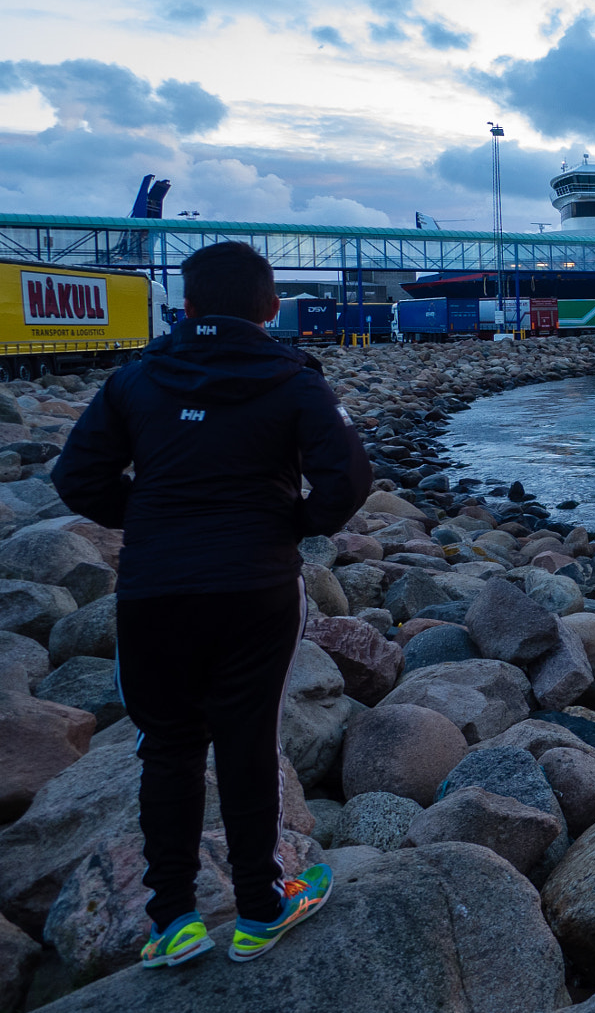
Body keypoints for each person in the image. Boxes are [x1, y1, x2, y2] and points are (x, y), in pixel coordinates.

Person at [53, 242, 371, 967]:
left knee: (166, 748)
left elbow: (77, 477)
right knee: (248, 741)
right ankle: (260, 908)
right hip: (255, 586)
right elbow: (347, 478)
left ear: (187, 307)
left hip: (155, 589)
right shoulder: (294, 380)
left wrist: (148, 514)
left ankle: (173, 921)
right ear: (269, 308)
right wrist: (294, 521)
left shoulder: (134, 381)